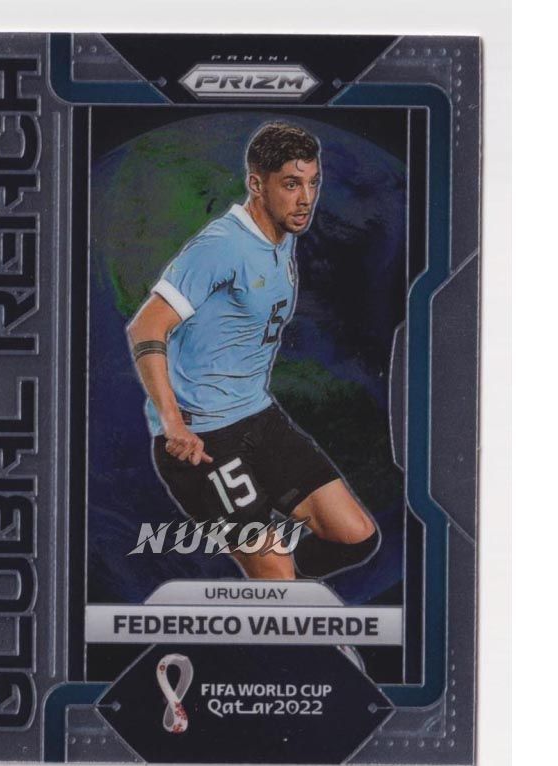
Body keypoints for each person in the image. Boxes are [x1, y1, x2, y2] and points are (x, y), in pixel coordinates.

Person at [127, 121, 380, 580]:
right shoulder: (221, 246)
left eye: (313, 183)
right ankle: (273, 593)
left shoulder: (282, 238)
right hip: (202, 439)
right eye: (291, 184)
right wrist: (172, 423)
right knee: (277, 576)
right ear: (257, 185)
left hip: (258, 416)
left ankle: (281, 594)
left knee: (356, 535)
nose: (306, 198)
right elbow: (146, 326)